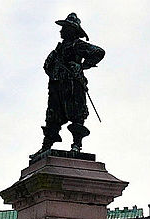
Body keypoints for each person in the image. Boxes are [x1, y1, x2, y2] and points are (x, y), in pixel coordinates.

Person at [34, 13, 105, 154]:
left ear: (71, 31)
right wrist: (55, 73)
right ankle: (46, 146)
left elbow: (99, 52)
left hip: (73, 85)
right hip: (57, 86)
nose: (61, 31)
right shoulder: (57, 50)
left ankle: (76, 145)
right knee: (52, 116)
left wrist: (82, 66)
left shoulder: (78, 45)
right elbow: (46, 66)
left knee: (77, 114)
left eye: (64, 28)